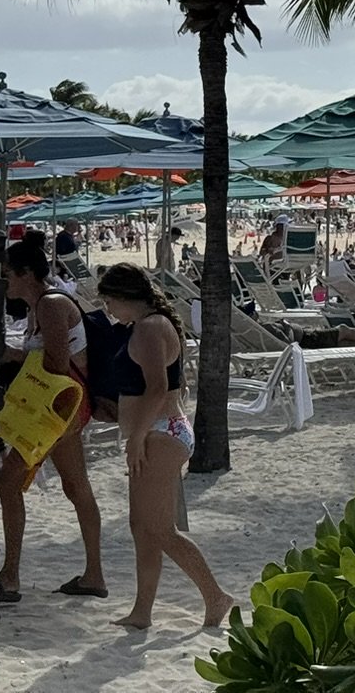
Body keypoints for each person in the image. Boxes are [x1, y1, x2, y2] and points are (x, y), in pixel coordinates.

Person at [94, 263, 234, 632]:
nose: (108, 308)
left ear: (125, 296)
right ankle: (142, 612)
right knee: (142, 527)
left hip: (160, 432)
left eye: (109, 300)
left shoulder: (151, 327)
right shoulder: (144, 326)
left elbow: (157, 387)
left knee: (160, 530)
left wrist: (137, 436)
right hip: (156, 431)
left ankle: (216, 596)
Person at [0, 234, 105, 603]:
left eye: (7, 273)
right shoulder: (39, 307)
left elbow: (56, 364)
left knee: (7, 484)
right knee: (76, 487)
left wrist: (11, 357)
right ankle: (94, 575)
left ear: (27, 273)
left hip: (57, 410)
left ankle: (10, 576)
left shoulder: (50, 304)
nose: (4, 280)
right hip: (67, 410)